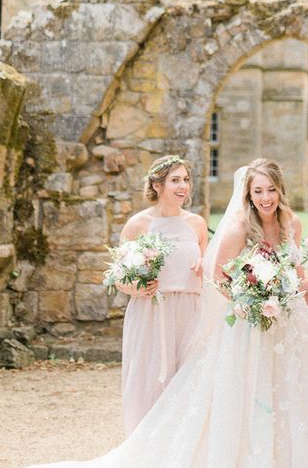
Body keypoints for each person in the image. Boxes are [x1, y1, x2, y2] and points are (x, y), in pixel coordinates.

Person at [30, 159, 308, 467]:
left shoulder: (291, 223)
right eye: (258, 191)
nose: (265, 197)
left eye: (271, 190)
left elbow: (294, 268)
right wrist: (251, 300)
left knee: (290, 386)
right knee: (249, 388)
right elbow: (218, 277)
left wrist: (301, 299)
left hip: (289, 319)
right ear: (248, 194)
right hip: (251, 319)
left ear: (280, 190)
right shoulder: (239, 228)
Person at [117, 155, 207, 435]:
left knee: (188, 381)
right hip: (151, 312)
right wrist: (136, 288)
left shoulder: (197, 224)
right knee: (148, 381)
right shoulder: (138, 224)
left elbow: (209, 270)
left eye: (186, 180)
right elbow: (119, 276)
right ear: (157, 185)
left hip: (190, 313)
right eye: (175, 180)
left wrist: (205, 267)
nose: (183, 187)